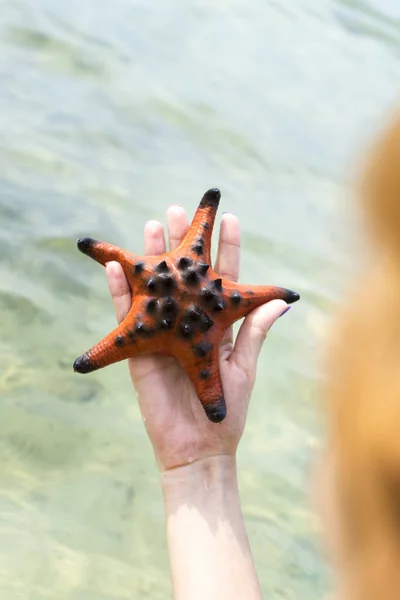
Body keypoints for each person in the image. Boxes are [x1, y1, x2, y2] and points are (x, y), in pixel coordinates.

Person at [105, 208, 290, 600]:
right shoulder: (223, 296)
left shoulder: (178, 288)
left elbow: (245, 294)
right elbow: (241, 294)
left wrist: (202, 463)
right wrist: (204, 465)